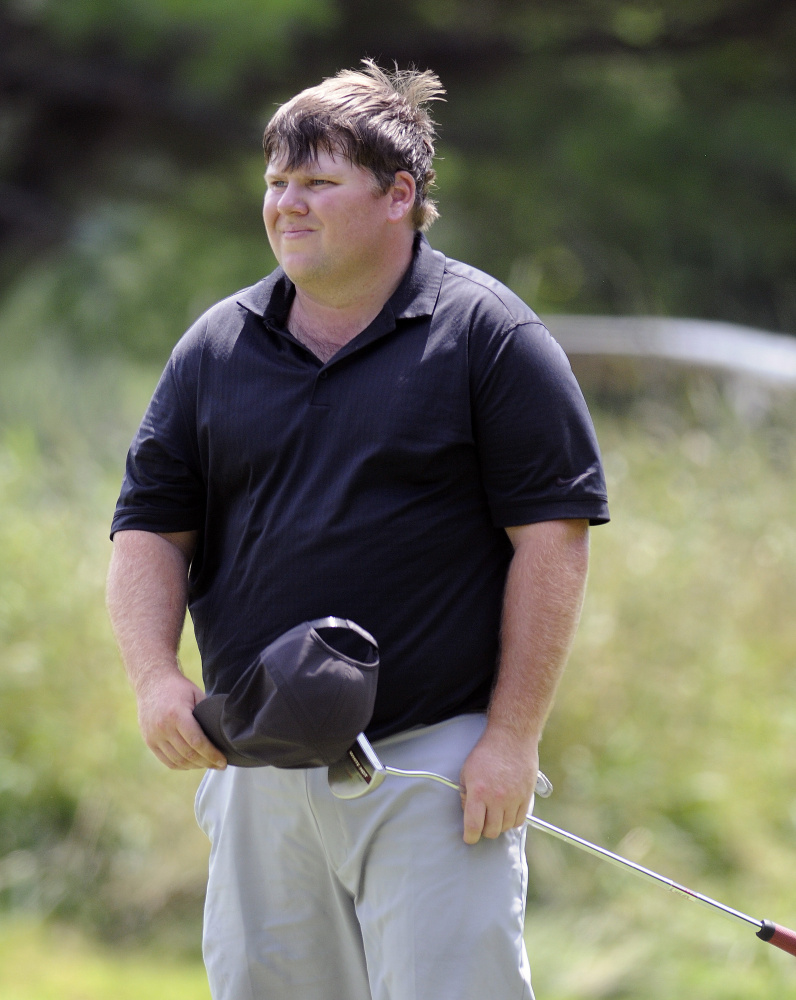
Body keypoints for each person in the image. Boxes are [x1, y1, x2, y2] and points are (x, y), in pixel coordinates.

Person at [106, 60, 609, 1000]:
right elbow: (148, 530)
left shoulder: (489, 335)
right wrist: (154, 677)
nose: (287, 205)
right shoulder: (216, 346)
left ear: (400, 196)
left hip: (435, 767)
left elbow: (554, 539)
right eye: (277, 182)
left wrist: (511, 736)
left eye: (317, 183)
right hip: (255, 759)